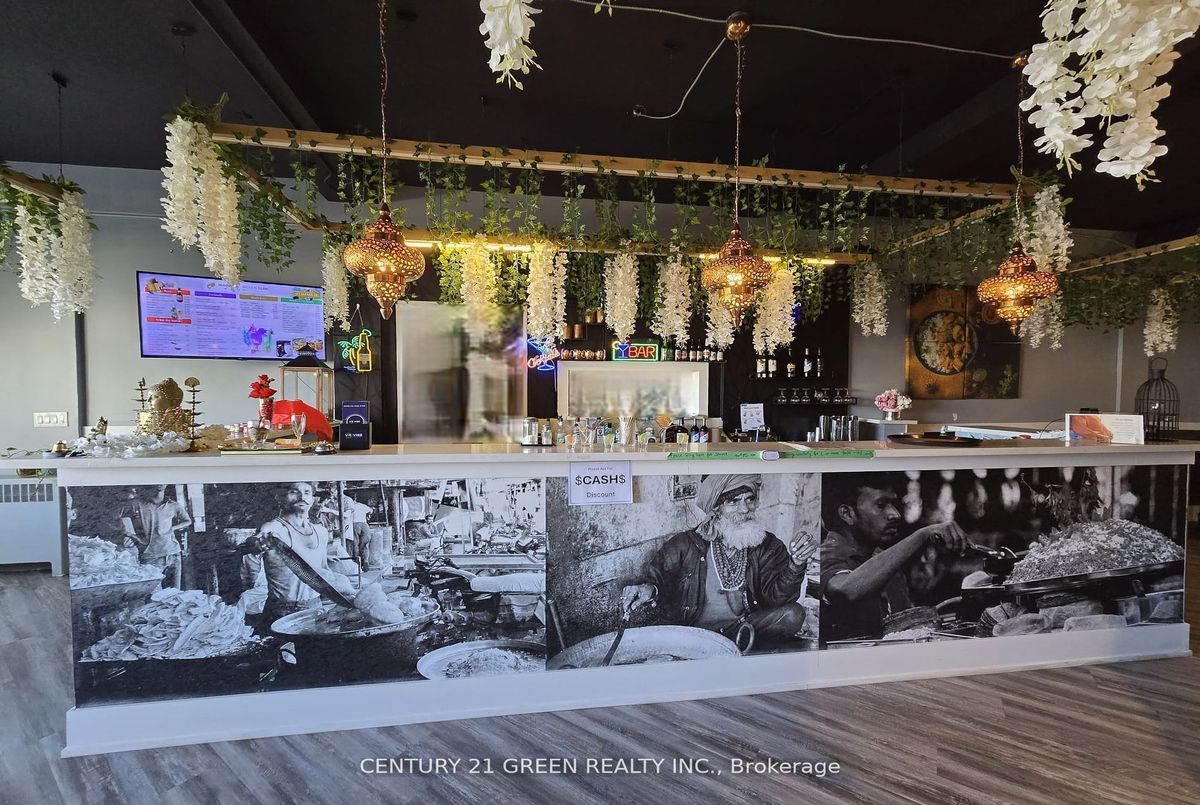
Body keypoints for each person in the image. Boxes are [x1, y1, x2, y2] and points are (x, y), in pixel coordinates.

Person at [621, 474, 817, 650]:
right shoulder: (685, 544)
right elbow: (658, 580)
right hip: (694, 635)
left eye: (750, 500)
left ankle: (739, 650)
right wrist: (649, 589)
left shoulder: (767, 545)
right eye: (733, 502)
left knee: (793, 614)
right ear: (716, 508)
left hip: (742, 629)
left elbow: (777, 598)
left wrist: (796, 564)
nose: (744, 509)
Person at [821, 473, 968, 642]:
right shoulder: (825, 555)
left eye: (893, 504)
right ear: (847, 514)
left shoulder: (884, 559)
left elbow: (903, 628)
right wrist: (920, 536)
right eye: (881, 505)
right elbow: (844, 590)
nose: (895, 514)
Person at [240, 481, 357, 626]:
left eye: (307, 492)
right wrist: (256, 543)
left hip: (314, 606)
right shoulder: (274, 529)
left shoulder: (321, 532)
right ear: (280, 497)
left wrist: (349, 593)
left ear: (312, 498)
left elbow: (324, 572)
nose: (302, 497)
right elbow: (254, 542)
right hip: (281, 610)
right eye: (294, 492)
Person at [123, 484, 191, 588]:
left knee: (175, 593)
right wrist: (129, 534)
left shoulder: (173, 505)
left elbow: (187, 521)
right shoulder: (136, 504)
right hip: (150, 556)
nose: (160, 483)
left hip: (173, 553)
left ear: (167, 484)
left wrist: (173, 528)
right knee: (153, 594)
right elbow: (118, 518)